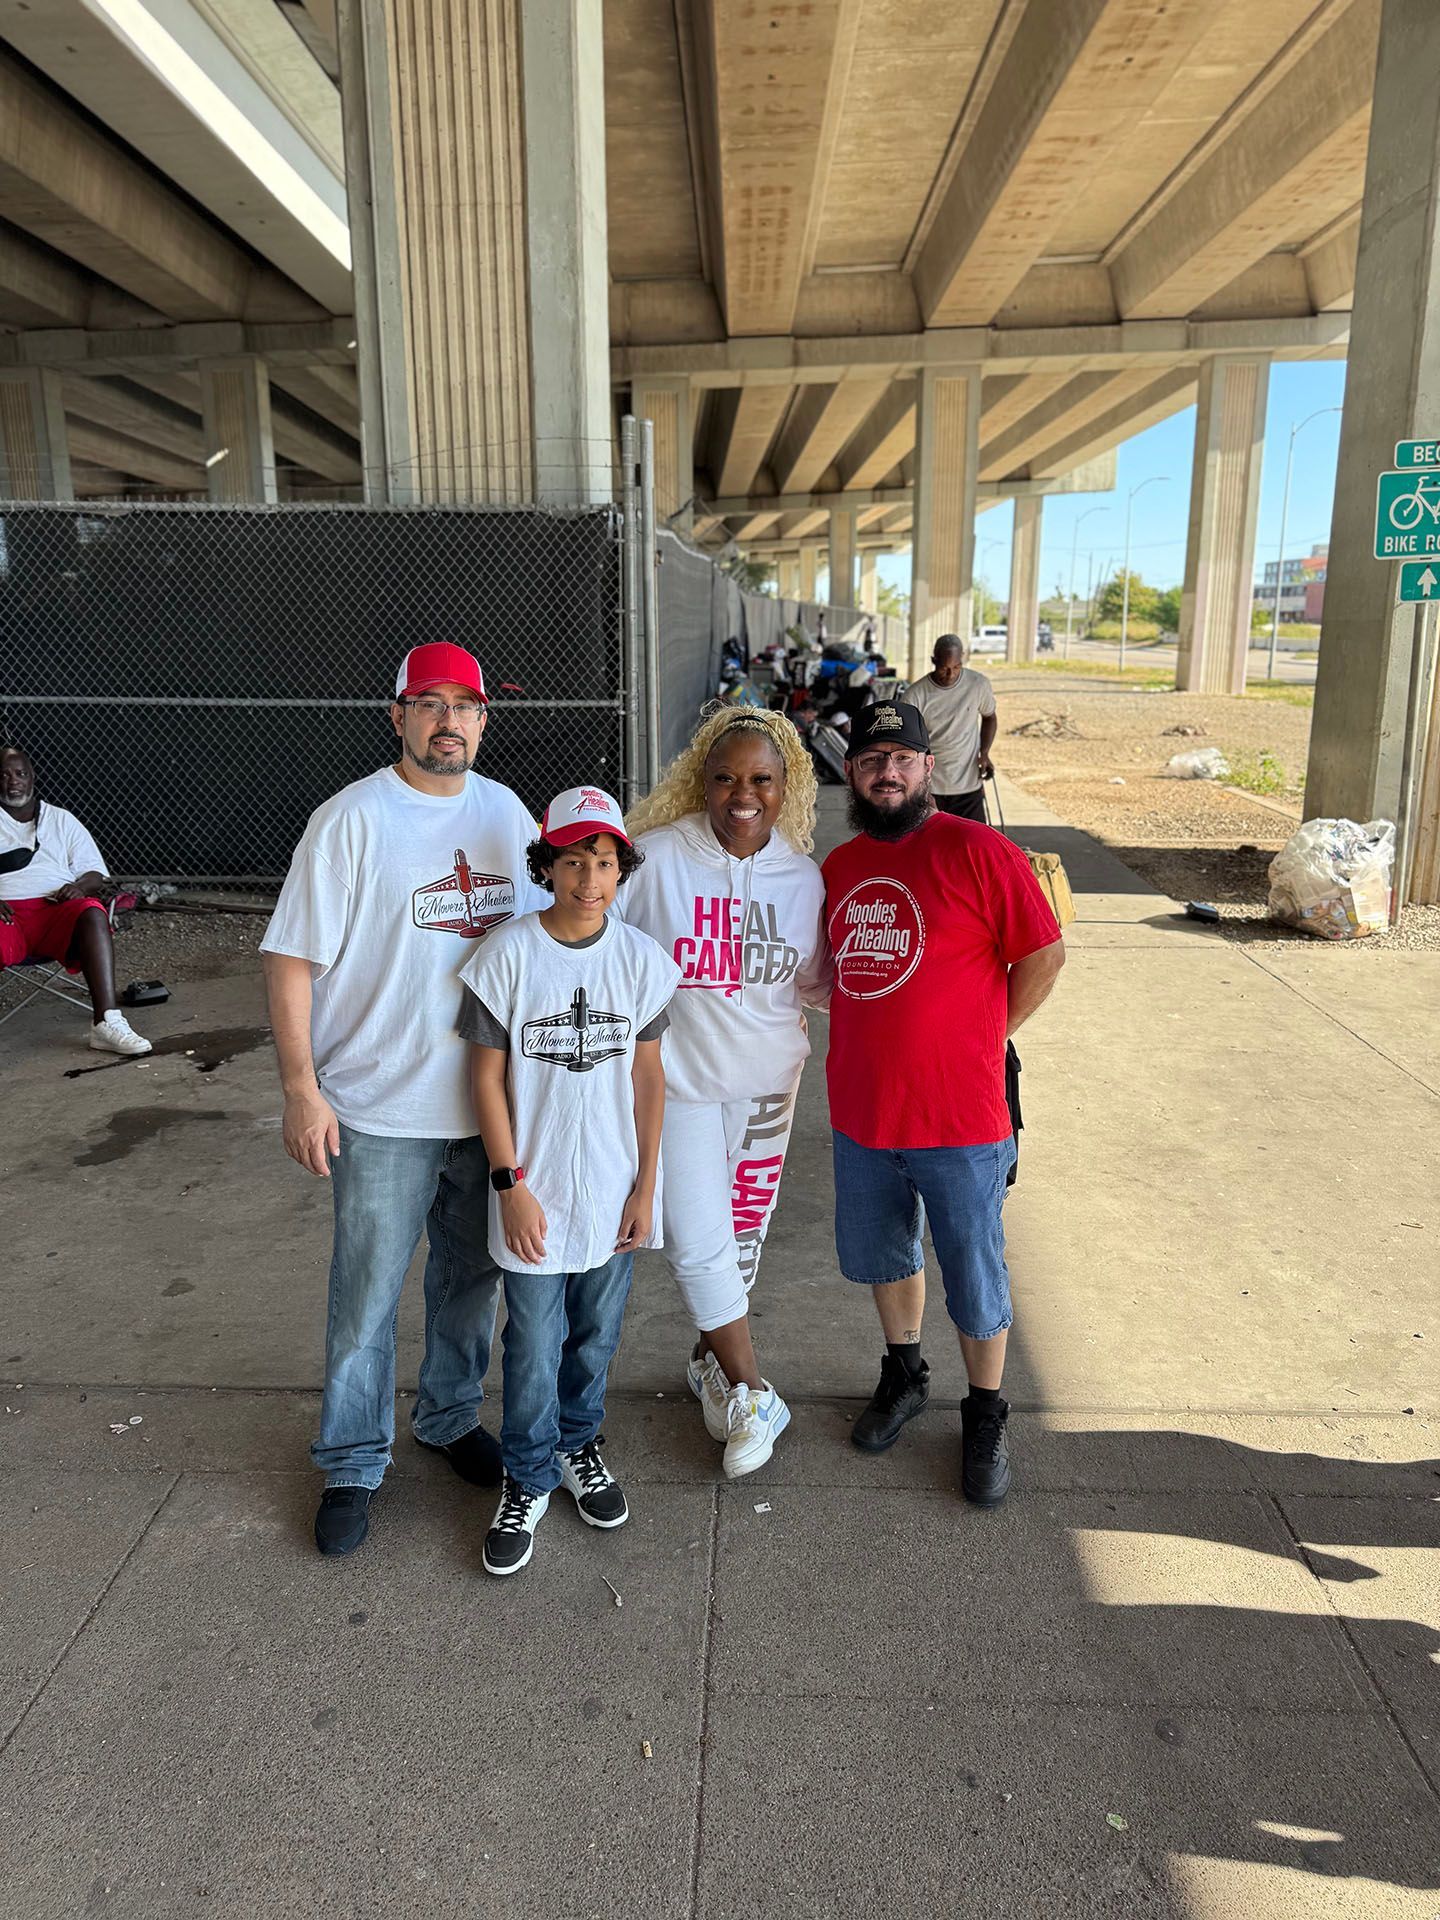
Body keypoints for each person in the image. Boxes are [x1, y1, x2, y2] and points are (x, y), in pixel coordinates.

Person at [260, 642, 549, 1559]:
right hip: (379, 1108)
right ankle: (350, 1460)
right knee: (365, 1300)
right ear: (397, 717)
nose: (448, 720)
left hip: (487, 1106)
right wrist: (302, 1090)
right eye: (429, 703)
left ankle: (449, 1416)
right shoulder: (350, 820)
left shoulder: (506, 814)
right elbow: (290, 960)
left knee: (471, 1285)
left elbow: (552, 938)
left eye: (465, 705)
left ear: (484, 721)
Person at [823, 701, 1064, 1506]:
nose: (885, 772)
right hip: (863, 1112)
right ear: (851, 775)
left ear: (930, 769)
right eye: (869, 760)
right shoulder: (841, 865)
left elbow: (1044, 952)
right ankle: (905, 1373)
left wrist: (991, 1032)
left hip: (960, 1118)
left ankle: (988, 1412)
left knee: (974, 1270)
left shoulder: (979, 850)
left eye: (901, 758)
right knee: (887, 1257)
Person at [460, 786, 678, 1576]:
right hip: (533, 1191)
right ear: (545, 865)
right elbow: (484, 1079)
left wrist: (646, 1186)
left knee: (594, 1336)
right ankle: (527, 1475)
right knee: (532, 1341)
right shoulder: (509, 955)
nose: (590, 878)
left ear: (624, 868)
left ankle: (581, 1445)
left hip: (615, 1191)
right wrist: (509, 1181)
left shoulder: (643, 962)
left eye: (605, 861)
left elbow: (649, 1082)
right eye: (573, 861)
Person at [622, 708, 830, 1478]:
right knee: (699, 1239)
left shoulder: (801, 878)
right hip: (677, 1085)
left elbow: (816, 985)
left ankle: (710, 1365)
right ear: (701, 783)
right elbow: (592, 939)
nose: (744, 795)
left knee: (740, 1247)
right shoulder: (651, 861)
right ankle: (752, 1389)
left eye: (761, 780)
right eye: (726, 778)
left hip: (769, 1085)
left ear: (786, 788)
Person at [0, 745, 150, 1056]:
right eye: (4, 775)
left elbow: (94, 873)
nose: (13, 781)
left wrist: (80, 887)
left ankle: (107, 1023)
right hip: (7, 915)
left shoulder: (61, 820)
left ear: (32, 777)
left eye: (20, 773)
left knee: (92, 912)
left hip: (54, 911)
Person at [897, 633, 997, 822]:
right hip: (930, 787)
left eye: (956, 667)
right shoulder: (915, 695)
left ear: (963, 659)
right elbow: (904, 743)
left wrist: (984, 753)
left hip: (968, 784)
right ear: (933, 660)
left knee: (973, 842)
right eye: (944, 668)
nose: (951, 674)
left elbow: (990, 717)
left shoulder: (978, 685)